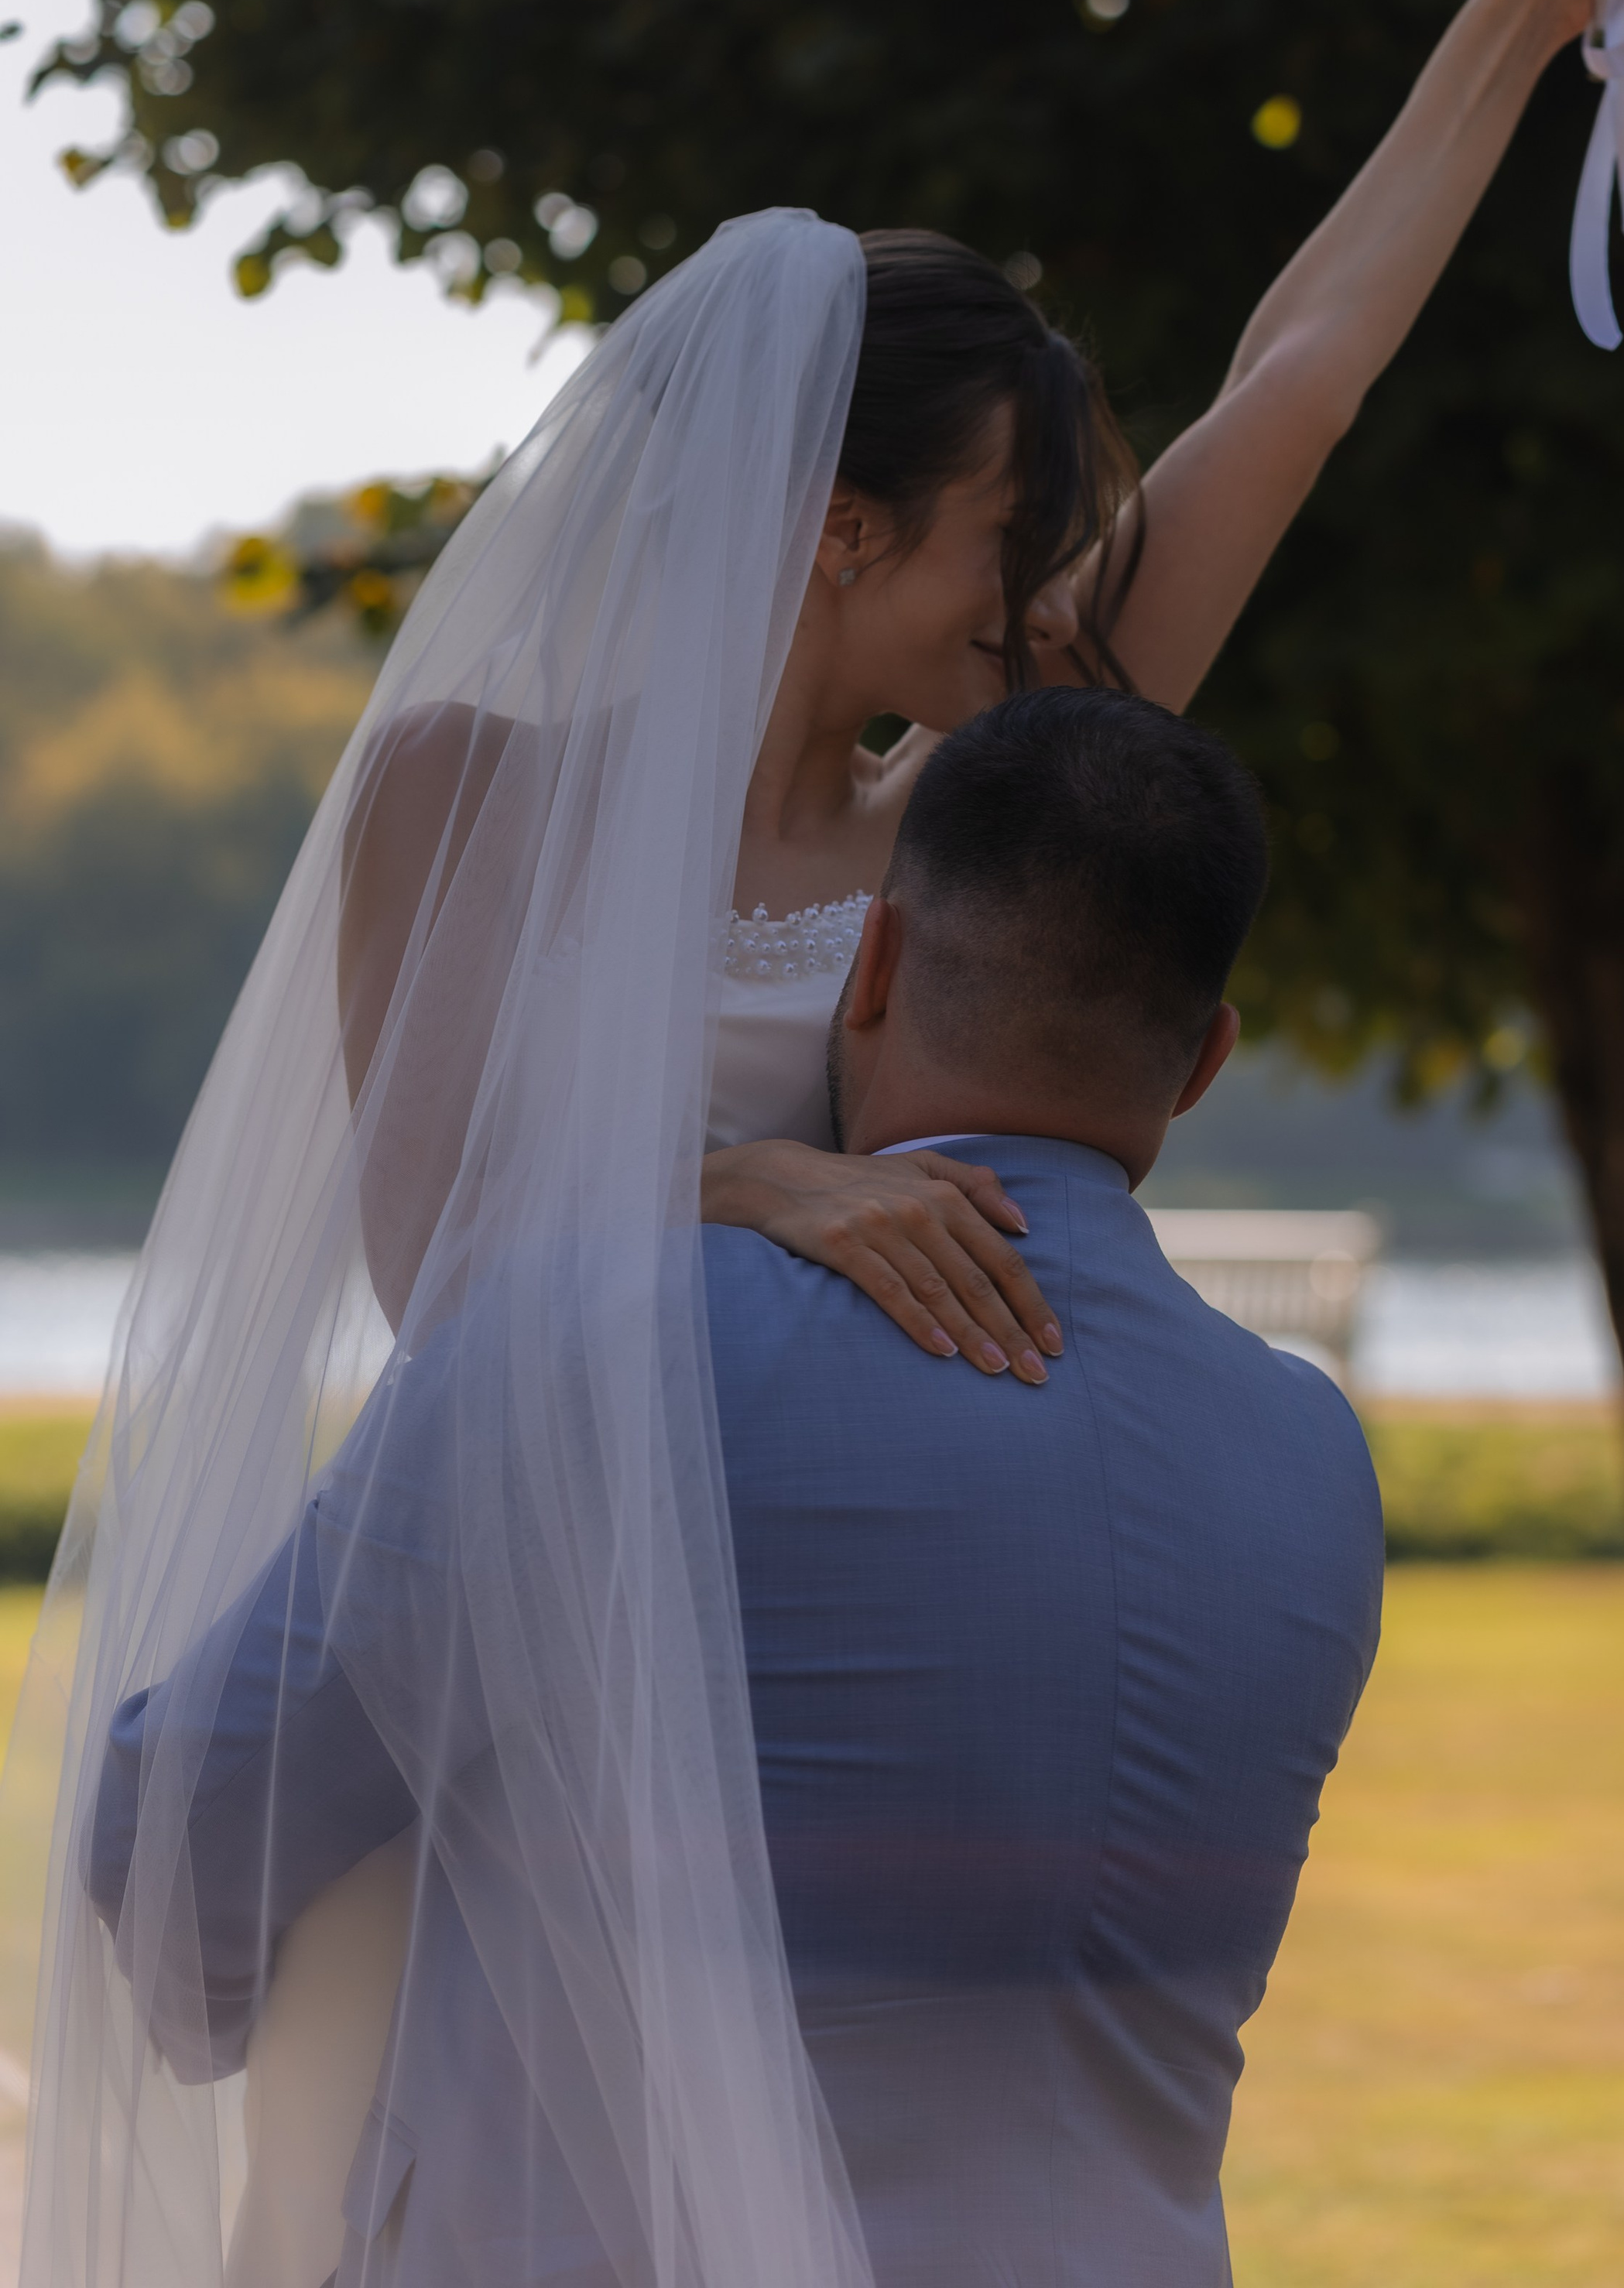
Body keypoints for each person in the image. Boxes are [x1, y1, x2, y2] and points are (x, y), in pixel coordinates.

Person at [12, 0, 1624, 2288]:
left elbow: (1299, 385)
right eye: (996, 553)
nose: (1035, 611)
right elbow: (448, 1256)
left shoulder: (978, 797)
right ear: (832, 530)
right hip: (549, 1651)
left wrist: (1530, 7)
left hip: (818, 1648)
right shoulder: (472, 789)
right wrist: (769, 1187)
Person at [86, 690, 1385, 2285]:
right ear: (1204, 1063)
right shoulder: (1313, 1458)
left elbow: (184, 1828)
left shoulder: (601, 1342)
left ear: (878, 963)